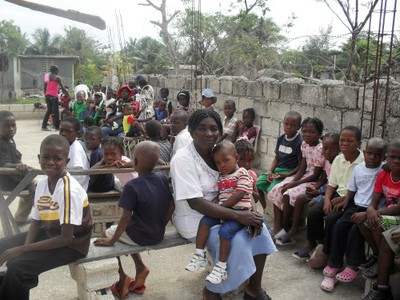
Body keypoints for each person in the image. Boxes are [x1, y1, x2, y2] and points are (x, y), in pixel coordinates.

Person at [170, 109, 276, 300]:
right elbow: (195, 203)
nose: (209, 133)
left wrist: (251, 211)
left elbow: (242, 186)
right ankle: (212, 290)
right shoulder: (183, 159)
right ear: (192, 131)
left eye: (213, 129)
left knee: (260, 227)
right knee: (238, 242)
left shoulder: (220, 153)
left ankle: (254, 287)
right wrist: (238, 216)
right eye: (202, 128)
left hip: (226, 211)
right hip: (196, 220)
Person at [0, 134, 92, 300]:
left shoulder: (68, 190)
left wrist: (22, 250)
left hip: (72, 245)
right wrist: (25, 248)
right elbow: (36, 221)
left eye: (57, 158)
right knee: (3, 247)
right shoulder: (42, 183)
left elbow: (65, 239)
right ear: (39, 158)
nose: (51, 162)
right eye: (46, 157)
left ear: (66, 161)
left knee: (18, 267)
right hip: (50, 233)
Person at [94, 141, 174, 299]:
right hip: (158, 234)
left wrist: (111, 241)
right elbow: (172, 206)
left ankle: (122, 277)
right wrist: (162, 225)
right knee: (126, 229)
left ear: (135, 162)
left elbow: (125, 218)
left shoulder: (132, 186)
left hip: (140, 236)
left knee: (105, 234)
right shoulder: (161, 178)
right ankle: (140, 267)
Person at [319, 137, 387, 292]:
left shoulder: (384, 170)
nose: (372, 157)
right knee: (339, 226)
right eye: (369, 153)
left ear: (384, 157)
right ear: (365, 152)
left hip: (372, 209)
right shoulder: (359, 168)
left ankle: (353, 266)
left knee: (356, 230)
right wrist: (346, 201)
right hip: (356, 205)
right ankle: (334, 263)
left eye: (378, 155)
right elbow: (352, 188)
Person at [185, 141, 255, 285]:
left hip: (239, 214)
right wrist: (216, 203)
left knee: (225, 232)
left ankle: (221, 266)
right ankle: (199, 254)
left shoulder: (243, 173)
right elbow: (222, 193)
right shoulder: (222, 176)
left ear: (236, 157)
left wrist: (221, 208)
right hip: (224, 212)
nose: (222, 165)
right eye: (218, 163)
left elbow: (239, 193)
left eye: (225, 160)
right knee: (204, 221)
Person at [297, 126, 364, 265]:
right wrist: (327, 200)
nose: (345, 143)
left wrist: (346, 198)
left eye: (350, 141)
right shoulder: (339, 159)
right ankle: (318, 243)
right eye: (342, 140)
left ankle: (327, 252)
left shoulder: (363, 162)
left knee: (332, 218)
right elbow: (332, 185)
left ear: (359, 143)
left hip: (354, 199)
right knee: (314, 211)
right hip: (337, 194)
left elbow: (364, 190)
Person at [268, 117, 325, 244]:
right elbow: (303, 167)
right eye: (304, 131)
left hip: (314, 180)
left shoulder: (320, 149)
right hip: (304, 176)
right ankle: (278, 227)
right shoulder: (304, 145)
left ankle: (286, 227)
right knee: (277, 188)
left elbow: (315, 175)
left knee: (288, 194)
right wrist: (293, 180)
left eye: (312, 132)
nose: (307, 134)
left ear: (319, 133)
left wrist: (294, 184)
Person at [291, 132, 340, 259]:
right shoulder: (328, 160)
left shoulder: (340, 162)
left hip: (337, 193)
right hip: (327, 188)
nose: (327, 152)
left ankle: (318, 243)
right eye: (325, 148)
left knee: (314, 206)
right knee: (305, 200)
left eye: (332, 149)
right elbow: (325, 178)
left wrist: (318, 193)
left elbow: (339, 189)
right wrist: (316, 189)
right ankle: (311, 240)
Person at [358, 140, 400, 283]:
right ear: (386, 158)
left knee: (376, 220)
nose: (396, 161)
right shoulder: (384, 174)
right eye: (392, 157)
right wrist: (370, 210)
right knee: (364, 221)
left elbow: (398, 208)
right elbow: (373, 201)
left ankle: (384, 262)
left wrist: (373, 213)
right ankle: (378, 256)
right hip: (389, 213)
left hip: (397, 214)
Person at [256, 111, 303, 209]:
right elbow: (277, 157)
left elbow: (301, 165)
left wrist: (287, 175)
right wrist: (270, 170)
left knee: (273, 189)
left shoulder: (299, 142)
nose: (289, 127)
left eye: (293, 125)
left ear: (299, 127)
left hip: (289, 172)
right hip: (278, 169)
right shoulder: (281, 138)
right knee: (258, 183)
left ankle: (277, 215)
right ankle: (264, 210)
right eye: (286, 124)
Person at [0, 111, 34, 225]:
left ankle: (20, 217)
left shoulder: (10, 139)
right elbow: (5, 165)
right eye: (6, 126)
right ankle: (27, 219)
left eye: (13, 125)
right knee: (39, 189)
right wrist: (19, 166)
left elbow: (17, 157)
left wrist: (22, 164)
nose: (11, 129)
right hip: (6, 181)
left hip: (15, 177)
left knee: (36, 184)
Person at [59, 116, 90, 191]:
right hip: (69, 182)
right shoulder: (68, 145)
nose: (63, 134)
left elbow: (78, 173)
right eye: (61, 130)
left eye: (68, 131)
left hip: (76, 187)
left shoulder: (76, 148)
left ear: (78, 134)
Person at [85, 126, 115, 193]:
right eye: (86, 139)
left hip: (101, 187)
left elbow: (94, 174)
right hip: (108, 185)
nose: (87, 142)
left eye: (92, 139)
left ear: (100, 140)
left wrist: (87, 187)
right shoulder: (100, 151)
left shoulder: (96, 153)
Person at [42, 65, 69, 131]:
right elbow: (62, 88)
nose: (58, 72)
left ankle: (44, 126)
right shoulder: (57, 78)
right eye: (57, 70)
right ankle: (56, 127)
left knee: (49, 111)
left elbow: (45, 87)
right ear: (56, 70)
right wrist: (68, 94)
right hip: (54, 96)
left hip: (48, 96)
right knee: (56, 112)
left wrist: (46, 95)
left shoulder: (46, 77)